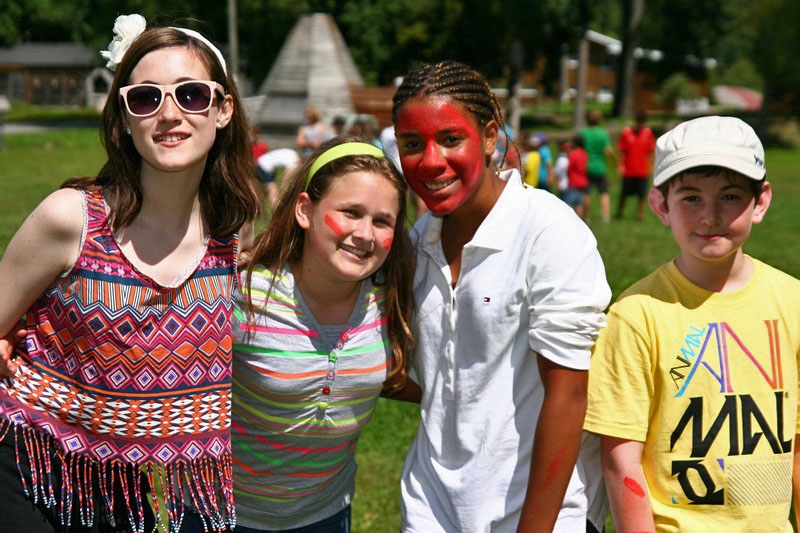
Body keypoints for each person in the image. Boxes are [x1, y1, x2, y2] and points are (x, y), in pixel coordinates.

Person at [0, 14, 263, 532]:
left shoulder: (236, 234)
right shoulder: (69, 218)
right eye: (145, 98)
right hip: (24, 464)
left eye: (191, 95)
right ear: (123, 118)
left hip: (123, 487)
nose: (169, 114)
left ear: (224, 109)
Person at [392, 60, 611, 532]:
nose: (431, 161)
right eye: (412, 144)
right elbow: (435, 383)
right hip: (430, 510)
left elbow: (569, 395)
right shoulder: (415, 245)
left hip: (536, 515)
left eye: (451, 139)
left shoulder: (547, 233)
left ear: (490, 136)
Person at [584, 116, 800, 531]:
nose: (710, 216)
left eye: (731, 196)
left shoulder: (792, 303)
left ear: (762, 201)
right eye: (691, 199)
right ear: (661, 205)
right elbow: (619, 457)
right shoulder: (636, 315)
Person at [231, 136, 417, 531]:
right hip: (224, 516)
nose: (365, 234)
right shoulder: (245, 295)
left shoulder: (390, 306)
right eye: (350, 212)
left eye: (382, 221)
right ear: (305, 210)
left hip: (326, 516)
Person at [616, 111, 656, 220]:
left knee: (642, 195)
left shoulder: (648, 134)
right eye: (639, 123)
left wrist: (652, 166)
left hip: (642, 170)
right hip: (628, 170)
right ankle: (619, 212)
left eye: (642, 123)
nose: (640, 125)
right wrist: (620, 166)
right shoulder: (626, 133)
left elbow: (651, 152)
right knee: (624, 194)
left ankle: (640, 215)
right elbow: (622, 151)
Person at [580, 109, 616, 223]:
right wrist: (615, 161)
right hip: (600, 167)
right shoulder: (602, 133)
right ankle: (605, 217)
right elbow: (608, 151)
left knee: (586, 193)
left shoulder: (582, 133)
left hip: (586, 166)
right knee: (604, 193)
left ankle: (586, 217)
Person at [564, 134, 589, 219]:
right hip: (583, 181)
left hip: (574, 182)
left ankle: (569, 220)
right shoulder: (584, 153)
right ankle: (580, 220)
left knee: (568, 204)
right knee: (579, 204)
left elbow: (569, 167)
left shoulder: (573, 154)